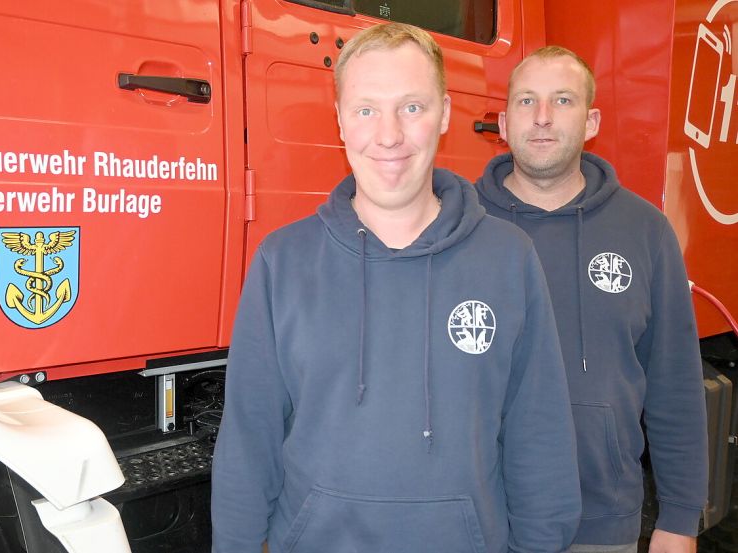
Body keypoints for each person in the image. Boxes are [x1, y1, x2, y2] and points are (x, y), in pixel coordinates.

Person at [211, 23, 581, 553]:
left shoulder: (509, 258)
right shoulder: (282, 262)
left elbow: (538, 434)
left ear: (445, 115)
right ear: (340, 119)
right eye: (366, 110)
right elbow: (249, 440)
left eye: (412, 107)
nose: (388, 135)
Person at [475, 46, 708, 553]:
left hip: (599, 522)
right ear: (503, 119)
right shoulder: (458, 224)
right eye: (526, 101)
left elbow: (675, 384)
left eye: (562, 100)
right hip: (473, 519)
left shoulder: (646, 231)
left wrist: (680, 519)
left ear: (592, 119)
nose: (541, 118)